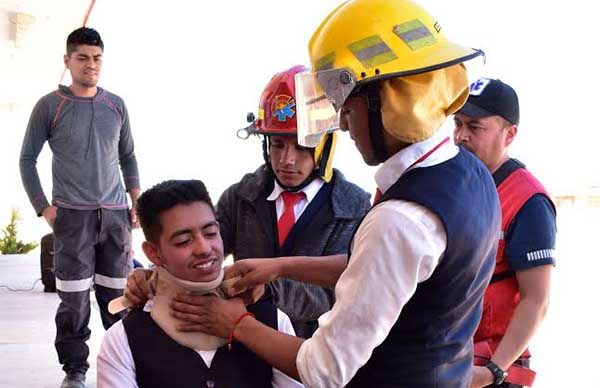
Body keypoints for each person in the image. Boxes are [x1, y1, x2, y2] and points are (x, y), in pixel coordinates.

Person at [166, 1, 501, 387]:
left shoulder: (398, 218)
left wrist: (235, 323)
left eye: (347, 104)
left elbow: (322, 369)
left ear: (388, 101)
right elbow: (382, 268)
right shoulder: (467, 174)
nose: (341, 122)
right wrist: (280, 266)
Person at [126, 65, 371, 338]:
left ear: (326, 146)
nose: (287, 159)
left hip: (313, 353)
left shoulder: (356, 209)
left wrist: (268, 287)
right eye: (277, 144)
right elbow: (202, 256)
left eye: (302, 147)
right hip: (241, 346)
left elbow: (341, 291)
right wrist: (154, 277)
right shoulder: (239, 197)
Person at [19, 27, 139, 388]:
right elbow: (27, 159)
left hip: (116, 216)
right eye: (83, 57)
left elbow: (128, 156)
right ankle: (75, 371)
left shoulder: (116, 104)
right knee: (73, 301)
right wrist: (44, 208)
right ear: (68, 61)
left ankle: (126, 365)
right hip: (72, 217)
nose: (91, 64)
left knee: (118, 299)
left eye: (97, 58)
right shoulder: (49, 106)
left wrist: (136, 200)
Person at [97, 179, 303, 388]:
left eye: (211, 233)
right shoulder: (123, 340)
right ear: (153, 253)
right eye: (184, 241)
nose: (204, 248)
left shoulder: (274, 321)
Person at [454, 78, 555, 388]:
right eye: (457, 124)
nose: (461, 136)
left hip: (491, 370)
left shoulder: (528, 201)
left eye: (475, 126)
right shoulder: (455, 186)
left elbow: (536, 300)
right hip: (447, 361)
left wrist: (493, 371)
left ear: (509, 134)